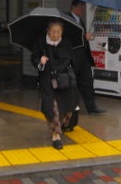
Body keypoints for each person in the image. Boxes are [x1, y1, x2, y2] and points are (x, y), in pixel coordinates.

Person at [30, 19, 78, 149]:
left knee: (68, 107)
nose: (55, 34)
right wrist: (40, 61)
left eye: (58, 32)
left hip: (64, 81)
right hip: (47, 80)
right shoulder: (41, 42)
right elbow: (34, 57)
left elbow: (72, 60)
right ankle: (56, 135)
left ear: (62, 32)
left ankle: (60, 125)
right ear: (48, 31)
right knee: (52, 107)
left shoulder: (66, 43)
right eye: (53, 32)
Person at [68, 0, 105, 115]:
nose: (83, 9)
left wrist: (87, 38)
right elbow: (69, 38)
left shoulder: (81, 20)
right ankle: (72, 107)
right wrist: (84, 37)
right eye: (81, 7)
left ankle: (91, 107)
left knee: (88, 82)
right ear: (74, 7)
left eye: (83, 7)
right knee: (73, 84)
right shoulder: (68, 19)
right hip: (73, 57)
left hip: (84, 56)